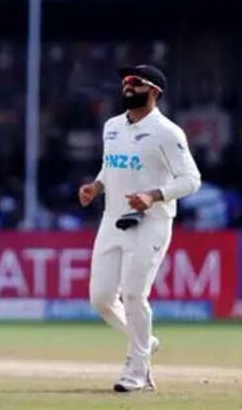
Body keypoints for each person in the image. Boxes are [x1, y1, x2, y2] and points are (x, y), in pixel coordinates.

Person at [79, 64, 201, 392]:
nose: (128, 87)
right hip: (112, 219)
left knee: (134, 294)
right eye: (125, 82)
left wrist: (154, 195)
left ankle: (137, 370)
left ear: (155, 92)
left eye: (136, 83)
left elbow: (191, 180)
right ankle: (146, 341)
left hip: (152, 222)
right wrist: (97, 187)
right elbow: (111, 165)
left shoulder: (168, 132)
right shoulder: (112, 126)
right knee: (102, 299)